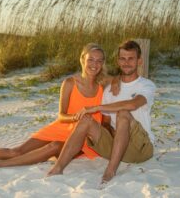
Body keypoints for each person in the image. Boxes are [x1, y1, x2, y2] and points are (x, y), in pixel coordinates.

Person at [0, 43, 109, 169]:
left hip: (83, 139)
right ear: (82, 60)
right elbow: (61, 115)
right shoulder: (69, 83)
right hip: (62, 127)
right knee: (16, 151)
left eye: (99, 61)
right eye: (91, 60)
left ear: (103, 64)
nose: (94, 64)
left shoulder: (104, 87)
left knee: (54, 147)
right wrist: (75, 116)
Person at [47, 40, 156, 184]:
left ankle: (110, 172)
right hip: (116, 149)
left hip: (140, 149)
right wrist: (107, 132)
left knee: (122, 114)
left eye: (131, 58)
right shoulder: (109, 89)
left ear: (140, 61)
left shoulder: (146, 85)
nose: (126, 62)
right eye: (123, 58)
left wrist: (97, 107)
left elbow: (133, 104)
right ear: (118, 61)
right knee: (86, 119)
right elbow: (105, 122)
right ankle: (58, 168)